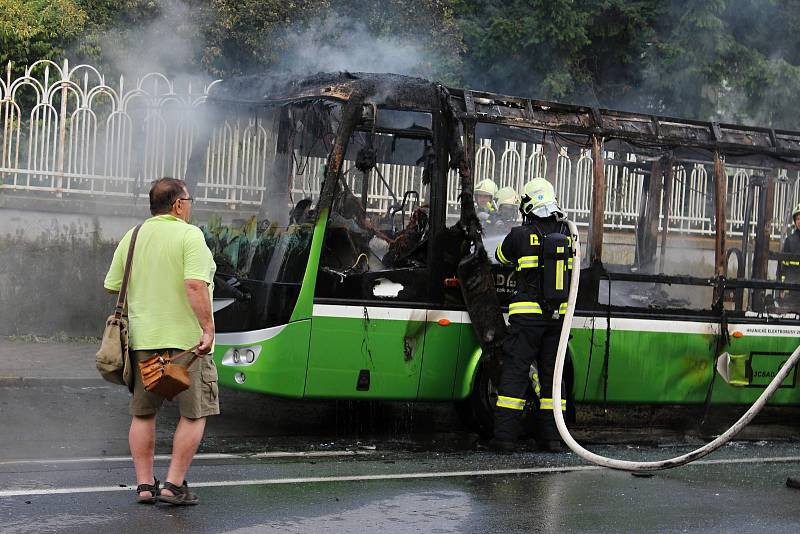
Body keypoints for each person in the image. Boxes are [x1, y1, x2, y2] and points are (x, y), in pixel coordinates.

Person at [104, 177, 218, 506]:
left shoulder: (134, 235)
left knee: (143, 414)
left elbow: (113, 284)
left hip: (144, 340)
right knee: (195, 413)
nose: (190, 205)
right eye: (189, 200)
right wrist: (208, 330)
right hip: (188, 345)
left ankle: (143, 486)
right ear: (178, 204)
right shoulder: (189, 234)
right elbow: (195, 285)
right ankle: (172, 484)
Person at [490, 177, 573, 452]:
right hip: (557, 318)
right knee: (552, 378)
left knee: (515, 373)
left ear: (526, 204)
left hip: (526, 319)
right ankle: (551, 439)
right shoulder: (567, 234)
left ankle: (505, 439)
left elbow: (501, 257)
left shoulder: (520, 235)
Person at [779, 203, 800, 311]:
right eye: (798, 219)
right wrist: (782, 287)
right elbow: (784, 267)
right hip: (792, 288)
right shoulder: (789, 241)